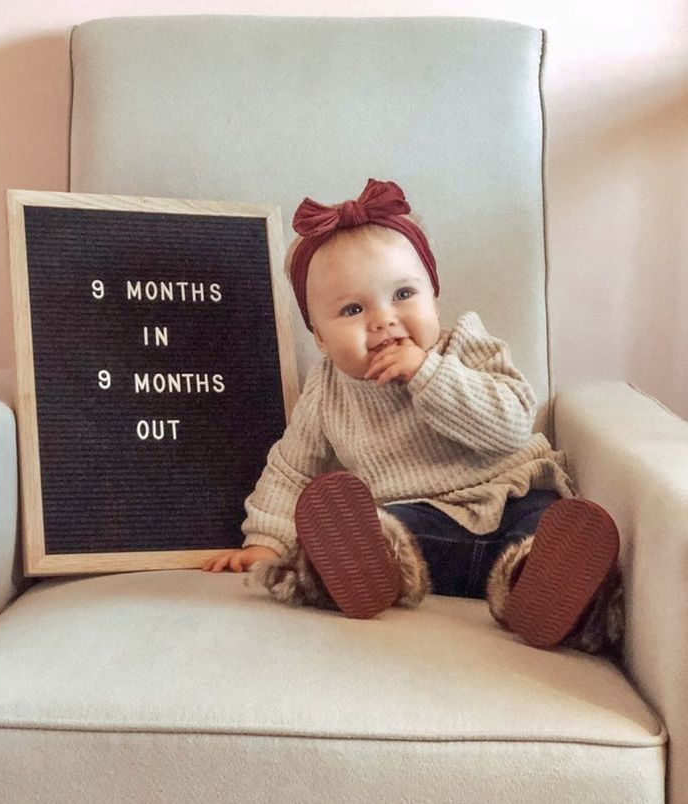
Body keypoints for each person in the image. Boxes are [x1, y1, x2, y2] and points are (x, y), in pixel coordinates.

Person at [202, 178, 623, 654]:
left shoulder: (465, 343)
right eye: (353, 308)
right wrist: (265, 542)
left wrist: (428, 374)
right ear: (319, 337)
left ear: (434, 297)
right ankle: (369, 572)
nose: (383, 320)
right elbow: (291, 469)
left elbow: (511, 424)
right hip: (426, 530)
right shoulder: (326, 390)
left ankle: (539, 590)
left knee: (548, 527)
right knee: (381, 531)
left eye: (403, 294)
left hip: (512, 499)